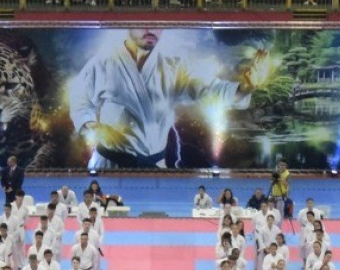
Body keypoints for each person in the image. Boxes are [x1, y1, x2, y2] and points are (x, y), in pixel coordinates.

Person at [69, 28, 249, 169]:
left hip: (154, 165)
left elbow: (210, 89)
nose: (152, 30)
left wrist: (244, 88)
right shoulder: (103, 63)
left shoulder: (174, 68)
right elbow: (80, 98)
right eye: (143, 24)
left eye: (158, 24)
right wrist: (92, 125)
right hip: (110, 163)